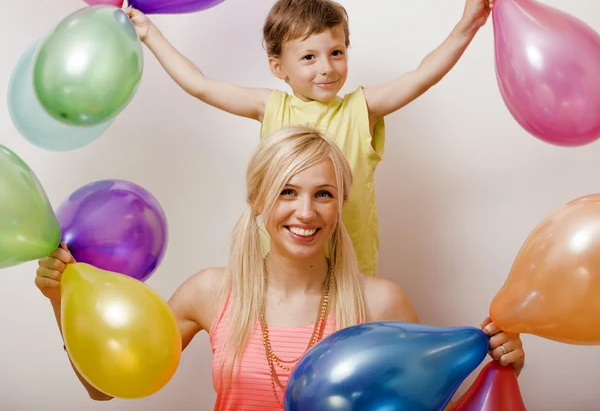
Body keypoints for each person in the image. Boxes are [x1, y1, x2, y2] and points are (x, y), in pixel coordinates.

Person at [35, 127, 524, 410]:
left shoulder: (381, 303)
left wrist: (501, 367)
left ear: (340, 205)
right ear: (257, 201)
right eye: (287, 191)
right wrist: (64, 301)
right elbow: (103, 389)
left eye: (323, 194)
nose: (305, 213)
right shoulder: (210, 292)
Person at [122, 0, 497, 277]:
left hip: (349, 272)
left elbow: (423, 75)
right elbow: (200, 84)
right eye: (308, 57)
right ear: (278, 66)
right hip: (281, 271)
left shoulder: (360, 110)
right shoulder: (270, 107)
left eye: (336, 53)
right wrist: (151, 34)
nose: (327, 68)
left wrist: (467, 26)